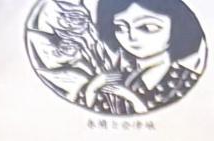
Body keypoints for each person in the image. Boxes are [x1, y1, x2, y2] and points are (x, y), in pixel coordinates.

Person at [77, 0, 207, 112]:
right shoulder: (114, 77)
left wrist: (135, 102)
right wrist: (91, 89)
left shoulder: (187, 80)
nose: (131, 36)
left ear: (177, 28)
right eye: (120, 27)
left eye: (147, 27)